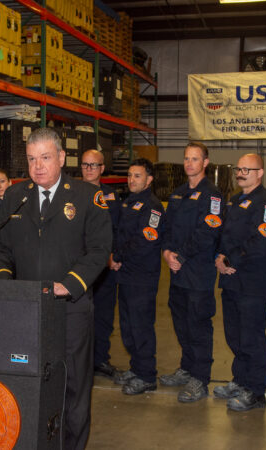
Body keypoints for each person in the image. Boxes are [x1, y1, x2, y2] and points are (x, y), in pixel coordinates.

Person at [0, 127, 111, 450]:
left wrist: (68, 285)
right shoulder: (15, 196)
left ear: (61, 157)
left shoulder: (86, 196)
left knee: (73, 385)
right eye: (31, 159)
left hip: (70, 308)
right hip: (27, 308)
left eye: (45, 158)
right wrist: (5, 282)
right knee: (29, 381)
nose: (38, 166)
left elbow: (99, 250)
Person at [213, 153, 266, 412]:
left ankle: (255, 390)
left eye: (247, 170)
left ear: (260, 173)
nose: (240, 174)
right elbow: (225, 235)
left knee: (252, 337)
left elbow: (261, 244)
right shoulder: (234, 200)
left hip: (252, 282)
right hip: (231, 280)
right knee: (235, 335)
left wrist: (230, 259)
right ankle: (240, 380)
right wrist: (220, 256)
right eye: (238, 169)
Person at [160, 142, 223, 403]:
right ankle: (186, 368)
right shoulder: (178, 194)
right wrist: (166, 252)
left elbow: (208, 233)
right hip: (177, 273)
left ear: (205, 163)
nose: (189, 163)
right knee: (181, 322)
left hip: (198, 273)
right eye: (186, 158)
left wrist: (180, 256)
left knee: (198, 325)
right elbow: (166, 228)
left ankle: (200, 378)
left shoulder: (213, 196)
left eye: (195, 159)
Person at [109, 158, 163, 395]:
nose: (132, 180)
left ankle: (147, 375)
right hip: (126, 275)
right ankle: (136, 367)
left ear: (149, 179)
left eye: (137, 176)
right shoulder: (128, 202)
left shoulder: (153, 207)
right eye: (130, 175)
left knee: (141, 327)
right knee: (128, 326)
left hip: (142, 277)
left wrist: (118, 256)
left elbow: (144, 241)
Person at [80, 149, 121, 378]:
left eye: (93, 165)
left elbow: (118, 229)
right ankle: (81, 361)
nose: (89, 169)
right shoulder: (71, 193)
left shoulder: (111, 196)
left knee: (104, 315)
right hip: (79, 267)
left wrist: (112, 255)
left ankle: (100, 359)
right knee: (79, 316)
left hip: (105, 267)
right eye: (85, 164)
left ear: (102, 168)